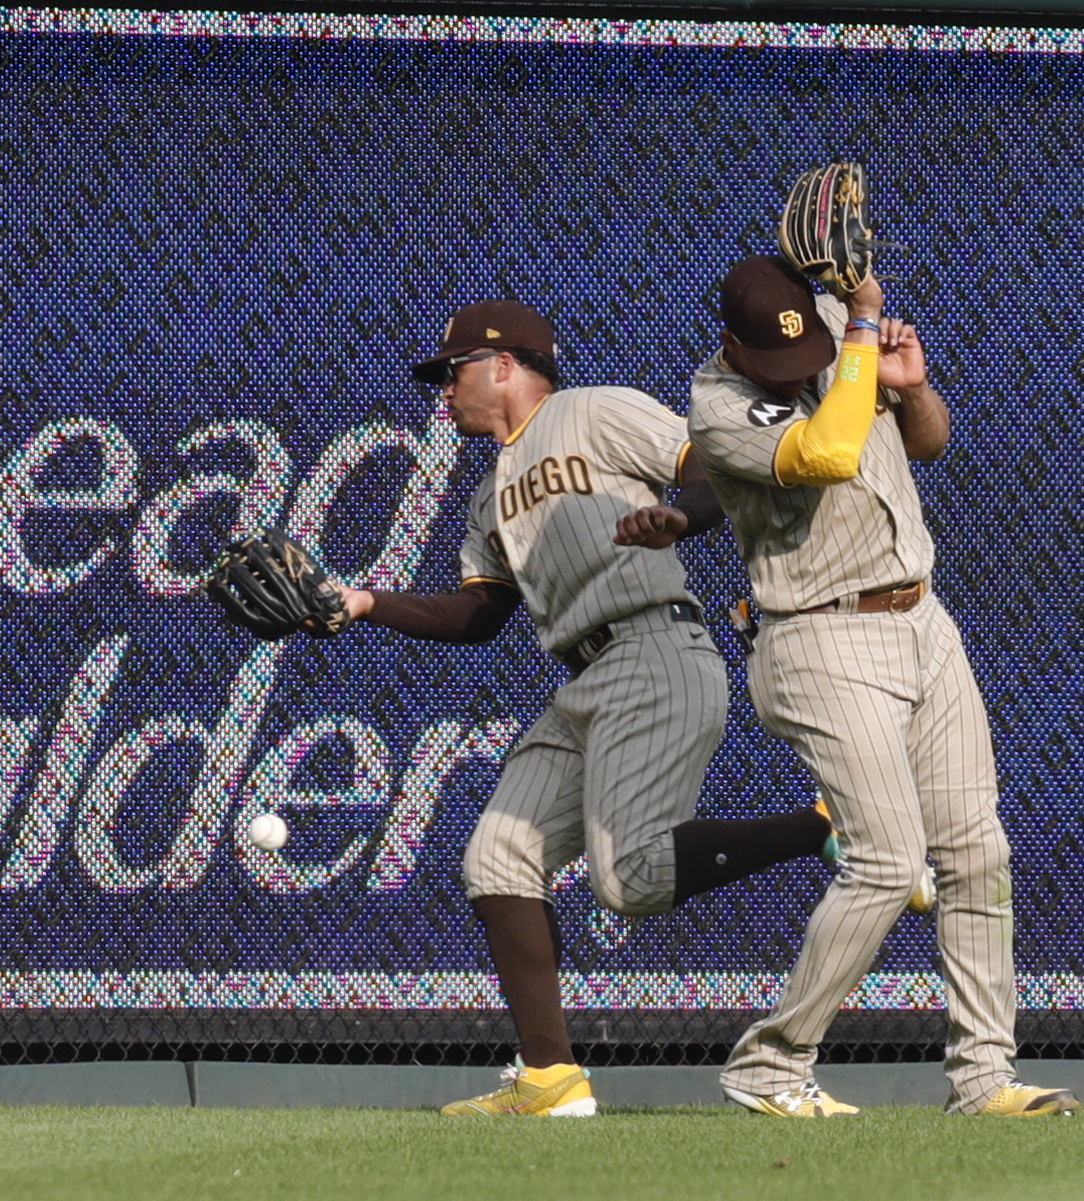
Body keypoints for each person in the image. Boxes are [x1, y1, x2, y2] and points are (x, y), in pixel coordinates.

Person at [334, 299, 833, 1117]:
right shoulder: (489, 493)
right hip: (580, 681)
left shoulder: (589, 409)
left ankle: (816, 826)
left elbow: (711, 464)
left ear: (503, 364)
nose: (443, 390)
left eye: (452, 369)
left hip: (653, 649)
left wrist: (681, 516)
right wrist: (359, 603)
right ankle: (550, 1080)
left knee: (629, 881)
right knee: (495, 857)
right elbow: (477, 615)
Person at [685, 255, 1078, 1118]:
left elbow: (924, 439)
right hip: (820, 636)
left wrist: (912, 384)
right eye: (778, 359)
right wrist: (862, 330)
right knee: (886, 862)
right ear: (730, 344)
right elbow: (826, 452)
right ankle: (768, 1066)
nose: (801, 365)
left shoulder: (836, 330)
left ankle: (983, 1078)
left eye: (812, 348)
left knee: (976, 851)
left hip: (921, 621)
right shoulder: (715, 404)